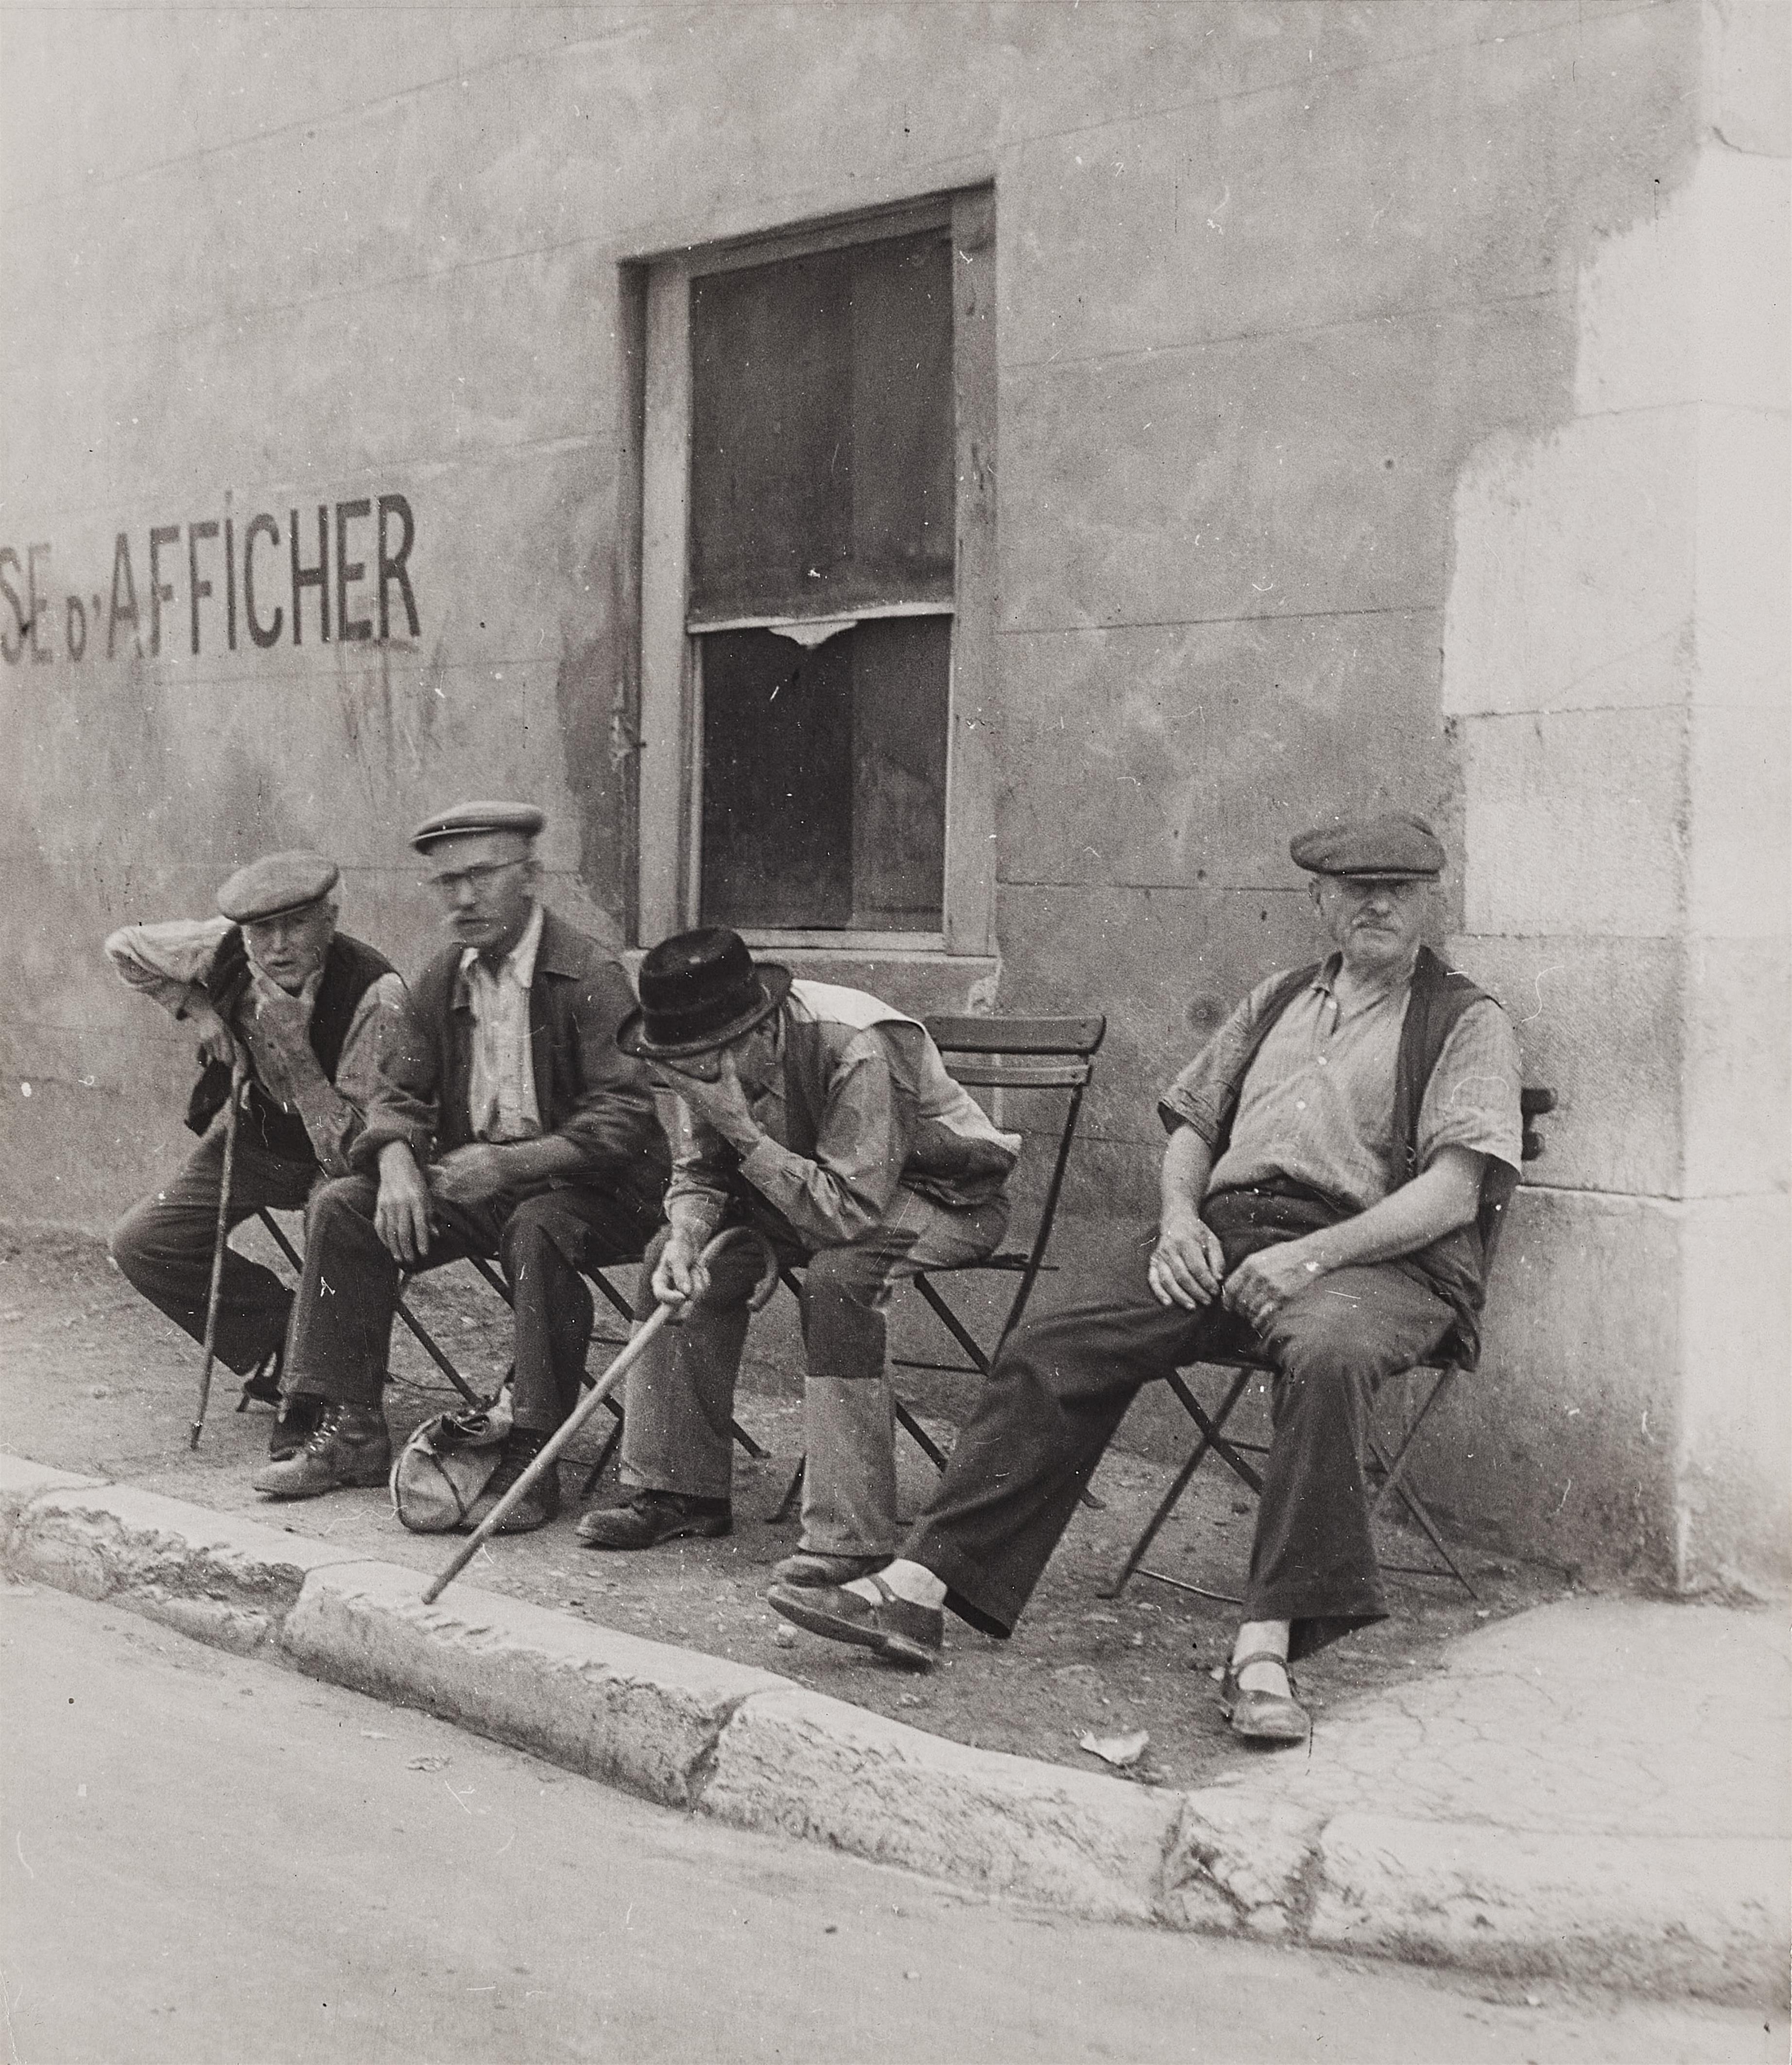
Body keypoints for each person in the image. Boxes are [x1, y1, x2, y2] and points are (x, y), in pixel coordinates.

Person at [769, 812, 1524, 1745]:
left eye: (1397, 890)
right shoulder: (1280, 995)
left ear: (1425, 903)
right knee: (1058, 1339)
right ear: (1318, 901)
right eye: (1354, 888)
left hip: (1373, 1259)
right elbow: (1192, 1128)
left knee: (1326, 1358)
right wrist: (1176, 1223)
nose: (1375, 904)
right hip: (1224, 1236)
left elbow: (1453, 1193)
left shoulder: (1462, 1020)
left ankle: (1263, 1649)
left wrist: (1314, 1256)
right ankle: (919, 1590)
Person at [251, 803, 671, 1530]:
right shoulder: (442, 972)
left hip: (602, 1191)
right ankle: (351, 1427)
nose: (463, 899)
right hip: (483, 1184)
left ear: (532, 877)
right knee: (346, 1205)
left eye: (481, 875)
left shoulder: (589, 972)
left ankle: (533, 1457)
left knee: (540, 1224)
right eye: (446, 883)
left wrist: (510, 1166)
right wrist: (395, 1162)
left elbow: (622, 1118)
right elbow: (398, 1092)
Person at [577, 927, 1019, 1584]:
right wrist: (687, 1236)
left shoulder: (861, 1043)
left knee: (841, 1280)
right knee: (668, 1263)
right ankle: (680, 1490)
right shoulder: (707, 1063)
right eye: (681, 1070)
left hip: (942, 1197)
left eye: (702, 1066)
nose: (693, 1083)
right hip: (807, 1192)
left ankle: (851, 1538)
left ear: (756, 1033)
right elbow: (702, 1174)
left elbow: (848, 1215)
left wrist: (743, 1134)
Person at [106, 851, 409, 1455]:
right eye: (260, 930)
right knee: (141, 1240)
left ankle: (321, 1387)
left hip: (342, 1157)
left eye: (295, 924)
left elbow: (352, 1150)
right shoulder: (226, 947)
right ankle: (289, 1338)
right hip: (258, 1138)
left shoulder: (377, 993)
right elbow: (124, 947)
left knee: (337, 1212)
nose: (275, 946)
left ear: (330, 917)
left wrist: (296, 1049)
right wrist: (198, 1009)